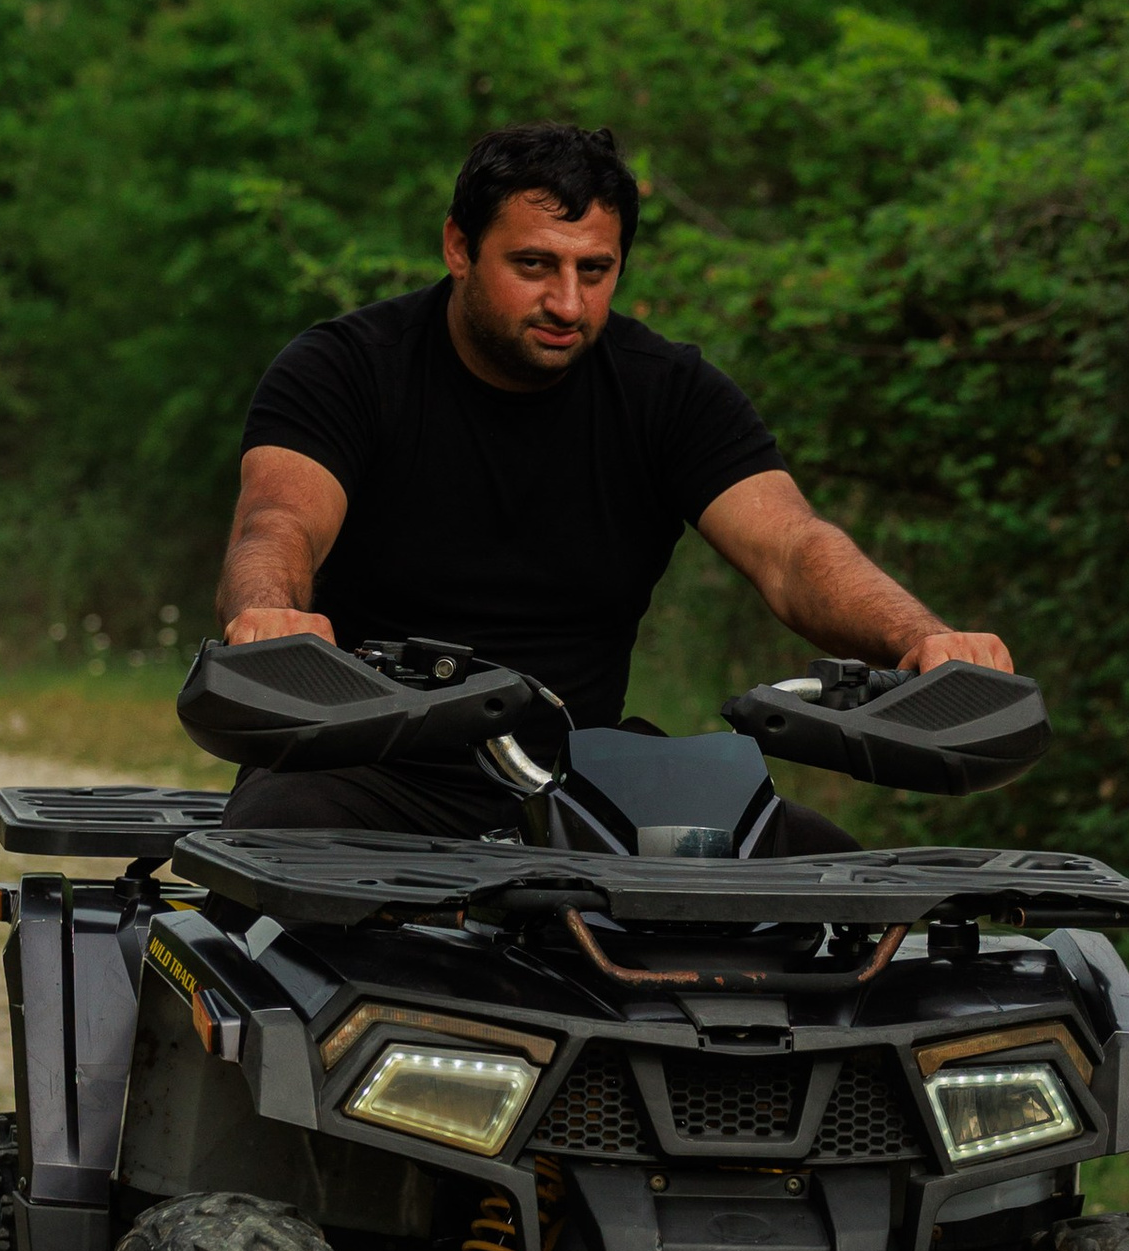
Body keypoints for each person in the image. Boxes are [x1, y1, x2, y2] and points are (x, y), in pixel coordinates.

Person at [214, 121, 1011, 841]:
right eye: (534, 265)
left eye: (595, 270)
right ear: (459, 247)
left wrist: (923, 639)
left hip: (589, 776)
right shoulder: (345, 369)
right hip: (369, 764)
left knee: (822, 873)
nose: (568, 302)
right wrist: (270, 616)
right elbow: (279, 519)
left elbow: (794, 550)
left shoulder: (668, 392)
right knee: (277, 842)